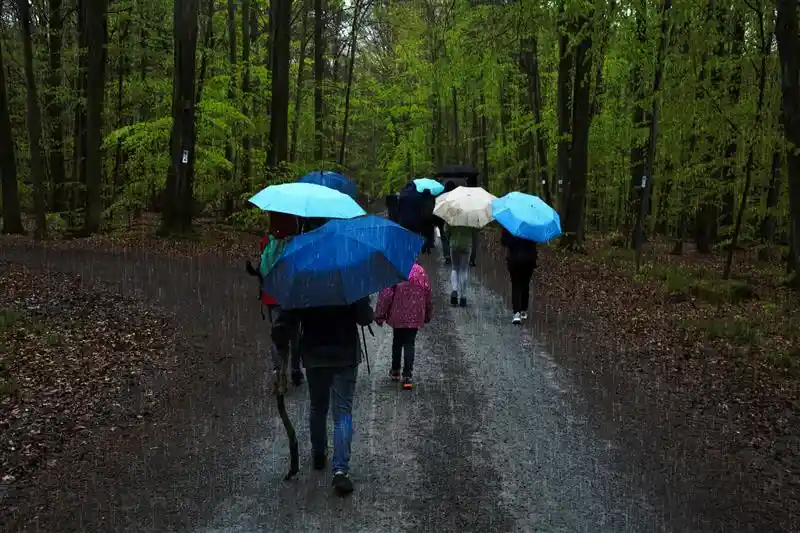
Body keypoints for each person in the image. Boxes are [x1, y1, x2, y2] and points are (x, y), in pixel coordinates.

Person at [271, 297, 374, 496]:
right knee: (342, 412)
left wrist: (281, 335)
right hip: (345, 353)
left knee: (318, 407)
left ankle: (319, 453)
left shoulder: (305, 281)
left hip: (314, 354)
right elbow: (364, 317)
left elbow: (287, 320)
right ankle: (341, 470)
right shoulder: (348, 275)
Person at [374, 261, 433, 390]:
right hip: (415, 315)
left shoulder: (396, 271)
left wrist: (380, 314)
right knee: (409, 343)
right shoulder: (420, 272)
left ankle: (395, 370)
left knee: (397, 341)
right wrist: (427, 314)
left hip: (398, 314)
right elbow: (427, 294)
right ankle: (407, 376)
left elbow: (386, 295)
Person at [501, 228, 538, 324]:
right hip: (529, 259)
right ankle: (523, 309)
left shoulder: (510, 224)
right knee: (525, 283)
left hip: (515, 259)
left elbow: (504, 241)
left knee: (516, 284)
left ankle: (517, 312)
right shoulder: (532, 224)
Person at [444, 223, 476, 307]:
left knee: (455, 268)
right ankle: (463, 296)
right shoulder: (471, 216)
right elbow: (475, 231)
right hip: (466, 244)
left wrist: (450, 238)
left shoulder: (452, 214)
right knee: (463, 270)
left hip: (454, 243)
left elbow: (446, 230)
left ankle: (454, 291)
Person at [433, 181, 457, 264]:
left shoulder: (442, 197)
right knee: (452, 237)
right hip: (453, 220)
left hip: (442, 221)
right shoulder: (456, 196)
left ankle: (447, 255)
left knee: (444, 238)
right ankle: (453, 255)